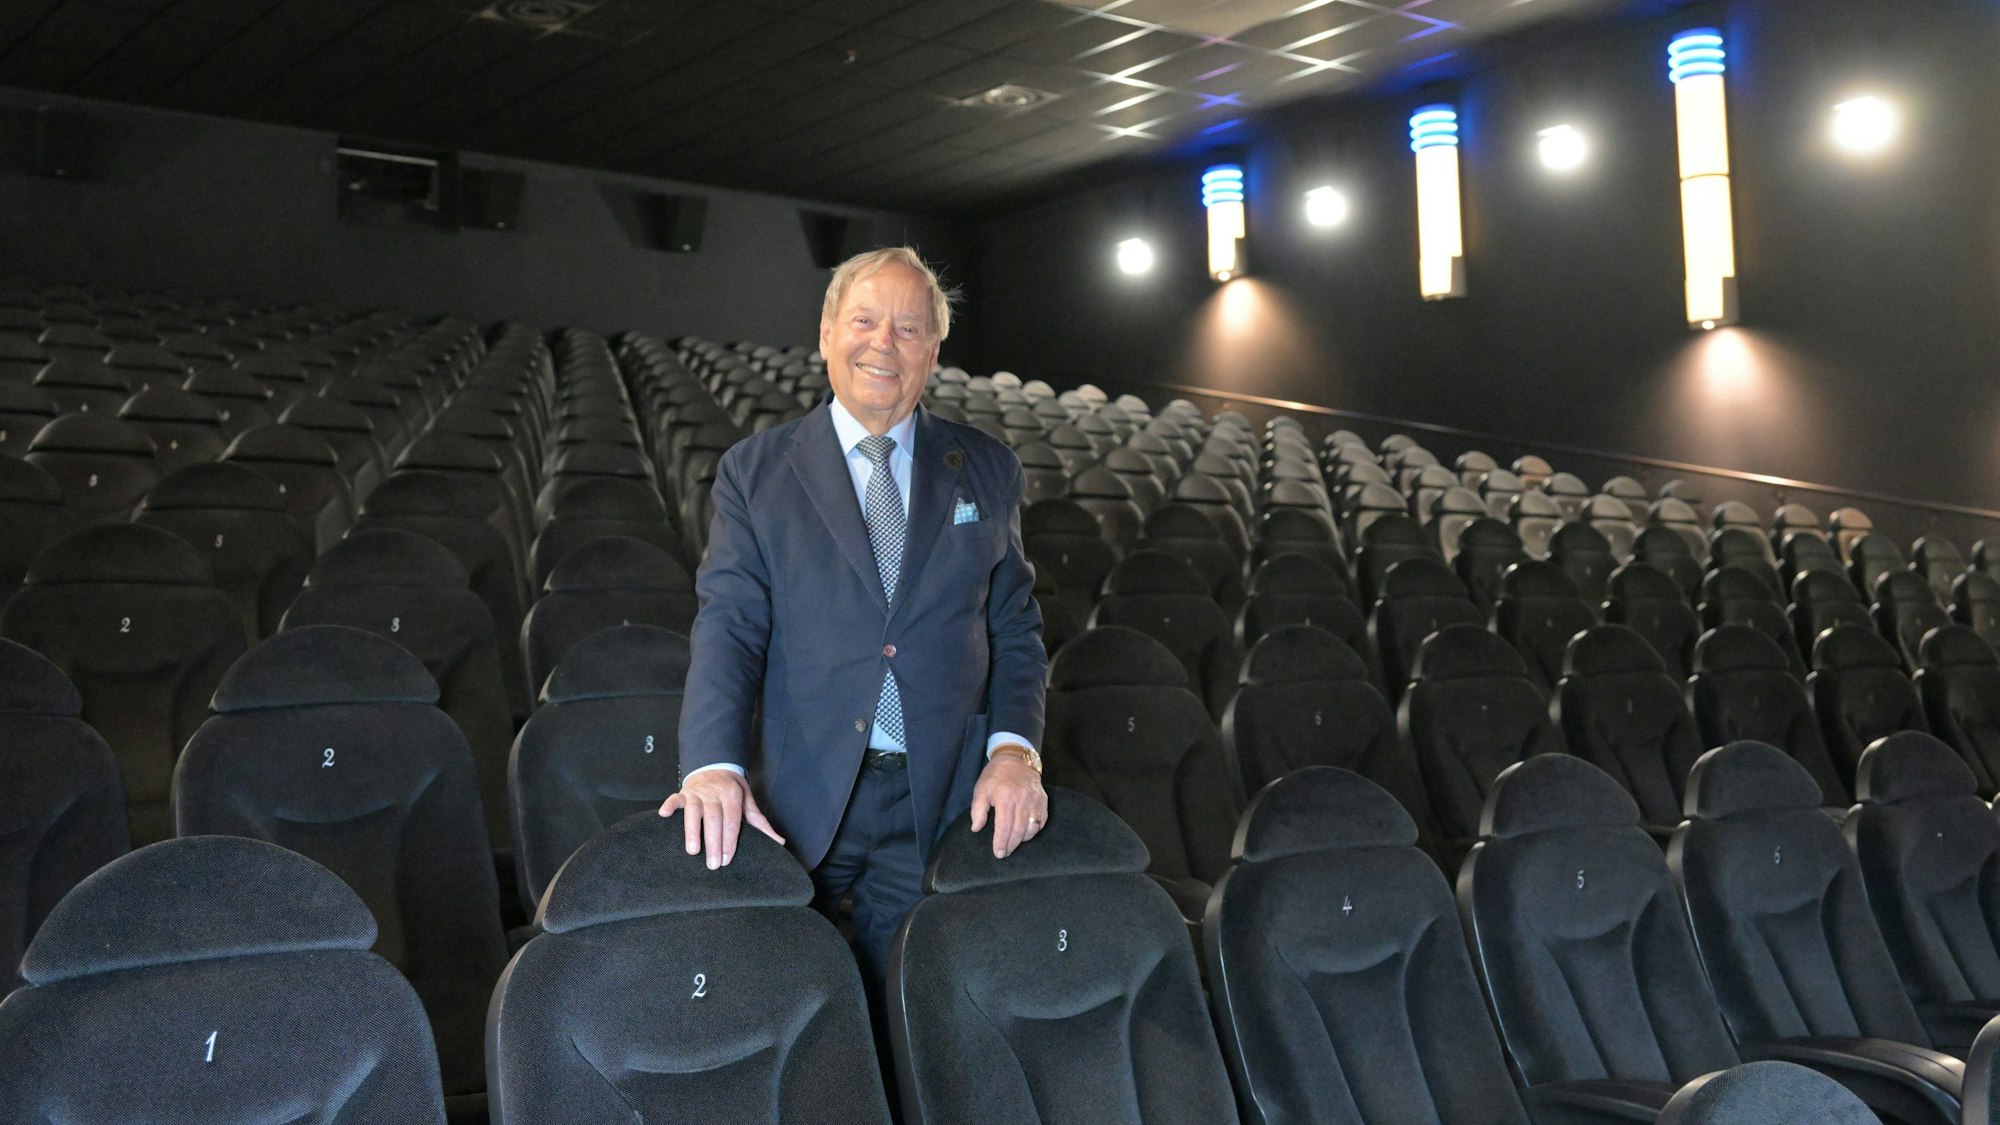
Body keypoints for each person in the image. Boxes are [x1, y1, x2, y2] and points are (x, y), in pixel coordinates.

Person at [660, 246, 1048, 991]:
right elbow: (731, 624)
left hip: (936, 800)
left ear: (933, 351)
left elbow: (1016, 629)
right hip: (794, 792)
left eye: (909, 329)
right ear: (826, 332)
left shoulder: (989, 468)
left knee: (908, 1003)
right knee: (780, 997)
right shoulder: (756, 469)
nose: (884, 343)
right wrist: (712, 763)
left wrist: (1013, 751)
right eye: (865, 321)